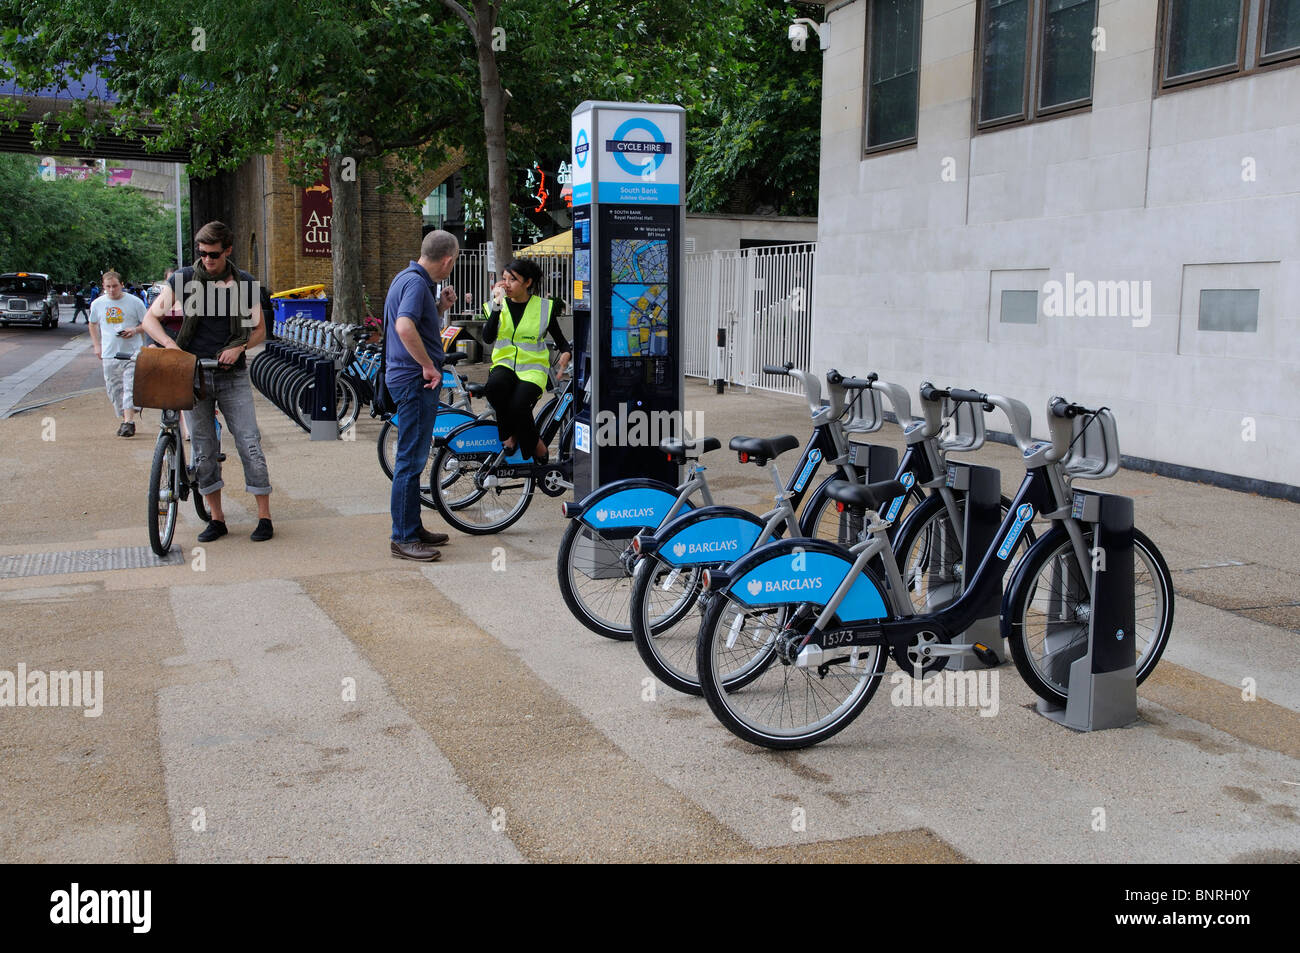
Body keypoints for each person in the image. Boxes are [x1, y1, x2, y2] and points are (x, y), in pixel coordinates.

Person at [139, 221, 274, 543]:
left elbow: (259, 331)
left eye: (214, 254)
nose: (208, 260)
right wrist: (171, 347)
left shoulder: (244, 283)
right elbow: (149, 319)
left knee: (249, 443)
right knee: (203, 450)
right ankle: (217, 518)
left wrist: (239, 346)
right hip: (193, 374)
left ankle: (264, 517)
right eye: (202, 254)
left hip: (232, 375)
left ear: (228, 251)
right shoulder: (184, 279)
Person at [385, 229, 459, 561]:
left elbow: (417, 323)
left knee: (412, 456)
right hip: (415, 381)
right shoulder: (416, 284)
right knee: (410, 459)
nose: (451, 268)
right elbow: (404, 327)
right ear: (447, 260)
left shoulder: (408, 278)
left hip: (407, 378)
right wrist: (429, 366)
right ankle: (402, 537)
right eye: (453, 262)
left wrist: (439, 307)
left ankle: (411, 527)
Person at [481, 258, 572, 465]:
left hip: (533, 369)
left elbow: (563, 344)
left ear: (527, 283)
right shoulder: (498, 305)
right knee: (494, 388)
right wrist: (497, 305)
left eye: (513, 280)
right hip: (504, 364)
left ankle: (536, 446)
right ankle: (509, 434)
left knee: (519, 405)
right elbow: (487, 338)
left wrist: (566, 355)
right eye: (504, 279)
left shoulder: (543, 308)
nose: (506, 284)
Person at [87, 270, 147, 436]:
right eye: (108, 287)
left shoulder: (135, 303)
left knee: (129, 387)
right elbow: (92, 324)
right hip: (109, 353)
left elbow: (148, 323)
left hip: (132, 353)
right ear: (103, 286)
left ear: (122, 285)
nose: (112, 290)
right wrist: (96, 345)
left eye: (115, 286)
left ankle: (129, 422)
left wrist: (134, 330)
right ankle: (125, 417)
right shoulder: (98, 304)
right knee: (114, 390)